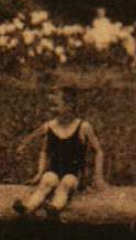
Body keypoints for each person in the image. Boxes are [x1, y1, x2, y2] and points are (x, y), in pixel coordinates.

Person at [13, 86, 107, 217]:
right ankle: (28, 207)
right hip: (54, 171)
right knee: (46, 181)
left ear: (69, 106)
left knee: (66, 184)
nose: (52, 110)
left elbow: (98, 151)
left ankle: (53, 208)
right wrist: (39, 172)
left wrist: (98, 177)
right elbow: (43, 150)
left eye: (56, 105)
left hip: (74, 173)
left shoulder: (83, 127)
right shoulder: (50, 126)